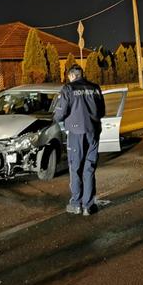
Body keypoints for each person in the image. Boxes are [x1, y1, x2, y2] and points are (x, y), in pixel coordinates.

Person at [53, 64, 106, 216]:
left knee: (75, 168)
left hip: (76, 133)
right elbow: (101, 111)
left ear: (71, 76)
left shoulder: (68, 89)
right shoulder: (95, 88)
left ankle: (76, 204)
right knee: (89, 168)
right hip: (93, 132)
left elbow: (60, 114)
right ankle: (88, 206)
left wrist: (56, 119)